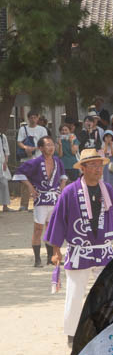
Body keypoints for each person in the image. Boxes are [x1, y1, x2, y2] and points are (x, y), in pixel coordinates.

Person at [45, 149, 113, 346]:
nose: (97, 169)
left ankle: (105, 326)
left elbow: (111, 217)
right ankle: (72, 333)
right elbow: (59, 220)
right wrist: (56, 250)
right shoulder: (69, 191)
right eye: (92, 165)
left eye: (99, 165)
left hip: (102, 249)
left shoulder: (108, 189)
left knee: (107, 290)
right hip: (79, 250)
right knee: (75, 293)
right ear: (82, 168)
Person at [13, 136, 67, 267]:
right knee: (38, 228)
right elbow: (19, 173)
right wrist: (30, 187)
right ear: (41, 148)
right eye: (47, 145)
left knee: (51, 228)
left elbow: (63, 176)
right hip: (41, 198)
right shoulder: (35, 162)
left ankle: (50, 257)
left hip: (54, 198)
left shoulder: (57, 161)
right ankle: (37, 259)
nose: (51, 147)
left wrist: (62, 189)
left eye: (52, 145)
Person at [16, 110, 50, 211]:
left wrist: (34, 149)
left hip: (39, 157)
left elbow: (45, 142)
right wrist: (26, 148)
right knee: (24, 181)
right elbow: (19, 142)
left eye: (35, 117)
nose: (33, 119)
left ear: (38, 118)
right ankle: (24, 204)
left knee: (39, 181)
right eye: (31, 117)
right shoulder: (23, 129)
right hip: (26, 158)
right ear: (28, 118)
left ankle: (38, 203)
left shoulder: (42, 129)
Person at [0, 129, 11, 212]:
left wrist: (5, 162)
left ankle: (5, 205)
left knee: (4, 184)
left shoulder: (2, 136)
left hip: (1, 162)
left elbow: (6, 150)